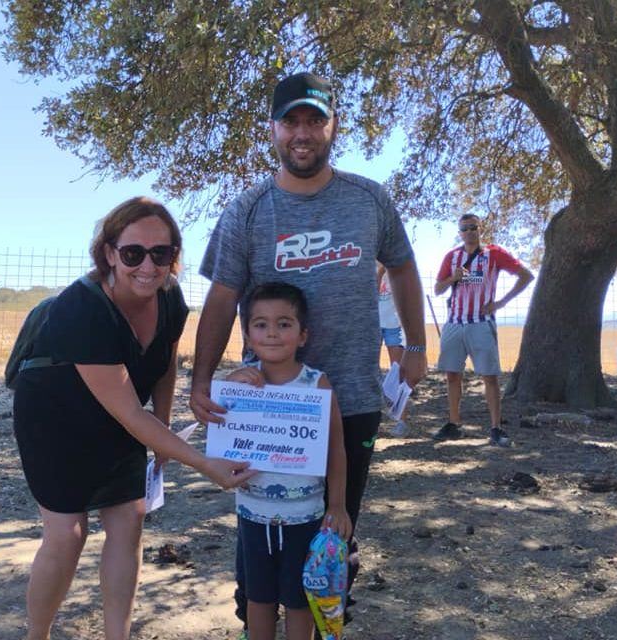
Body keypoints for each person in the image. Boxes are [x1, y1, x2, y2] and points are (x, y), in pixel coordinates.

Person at [189, 71, 428, 634]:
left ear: (332, 126)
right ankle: (256, 619)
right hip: (267, 409)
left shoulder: (370, 199)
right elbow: (222, 298)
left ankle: (328, 623)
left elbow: (403, 267)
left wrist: (414, 346)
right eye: (291, 121)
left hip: (352, 396)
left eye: (314, 120)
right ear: (272, 129)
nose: (303, 133)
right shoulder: (246, 211)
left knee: (335, 530)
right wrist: (203, 380)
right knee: (263, 525)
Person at [12, 196, 256, 640]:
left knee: (130, 519)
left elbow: (163, 361)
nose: (147, 265)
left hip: (120, 412)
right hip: (53, 417)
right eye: (133, 253)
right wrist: (201, 463)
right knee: (68, 533)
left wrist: (162, 430)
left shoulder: (170, 297)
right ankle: (37, 634)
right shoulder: (80, 310)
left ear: (173, 258)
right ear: (109, 253)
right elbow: (126, 411)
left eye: (161, 254)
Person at [222, 282, 353, 640]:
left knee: (299, 600)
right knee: (258, 597)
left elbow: (335, 449)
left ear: (303, 334)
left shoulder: (318, 386)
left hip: (306, 516)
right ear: (247, 335)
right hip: (252, 515)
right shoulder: (237, 385)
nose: (273, 333)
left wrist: (338, 505)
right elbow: (220, 441)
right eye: (261, 324)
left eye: (284, 323)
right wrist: (230, 388)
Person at [432, 213, 534, 447]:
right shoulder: (452, 256)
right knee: (452, 374)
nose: (468, 232)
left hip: (481, 322)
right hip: (455, 323)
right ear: (459, 232)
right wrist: (452, 278)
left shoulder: (493, 254)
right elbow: (438, 289)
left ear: (480, 229)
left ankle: (496, 427)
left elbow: (526, 276)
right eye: (464, 228)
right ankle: (454, 423)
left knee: (489, 376)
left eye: (472, 227)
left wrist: (501, 303)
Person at [377, 262, 410, 435]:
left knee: (398, 372)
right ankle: (372, 418)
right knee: (370, 371)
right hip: (372, 323)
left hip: (394, 325)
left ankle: (402, 420)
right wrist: (380, 271)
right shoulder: (366, 261)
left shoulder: (396, 263)